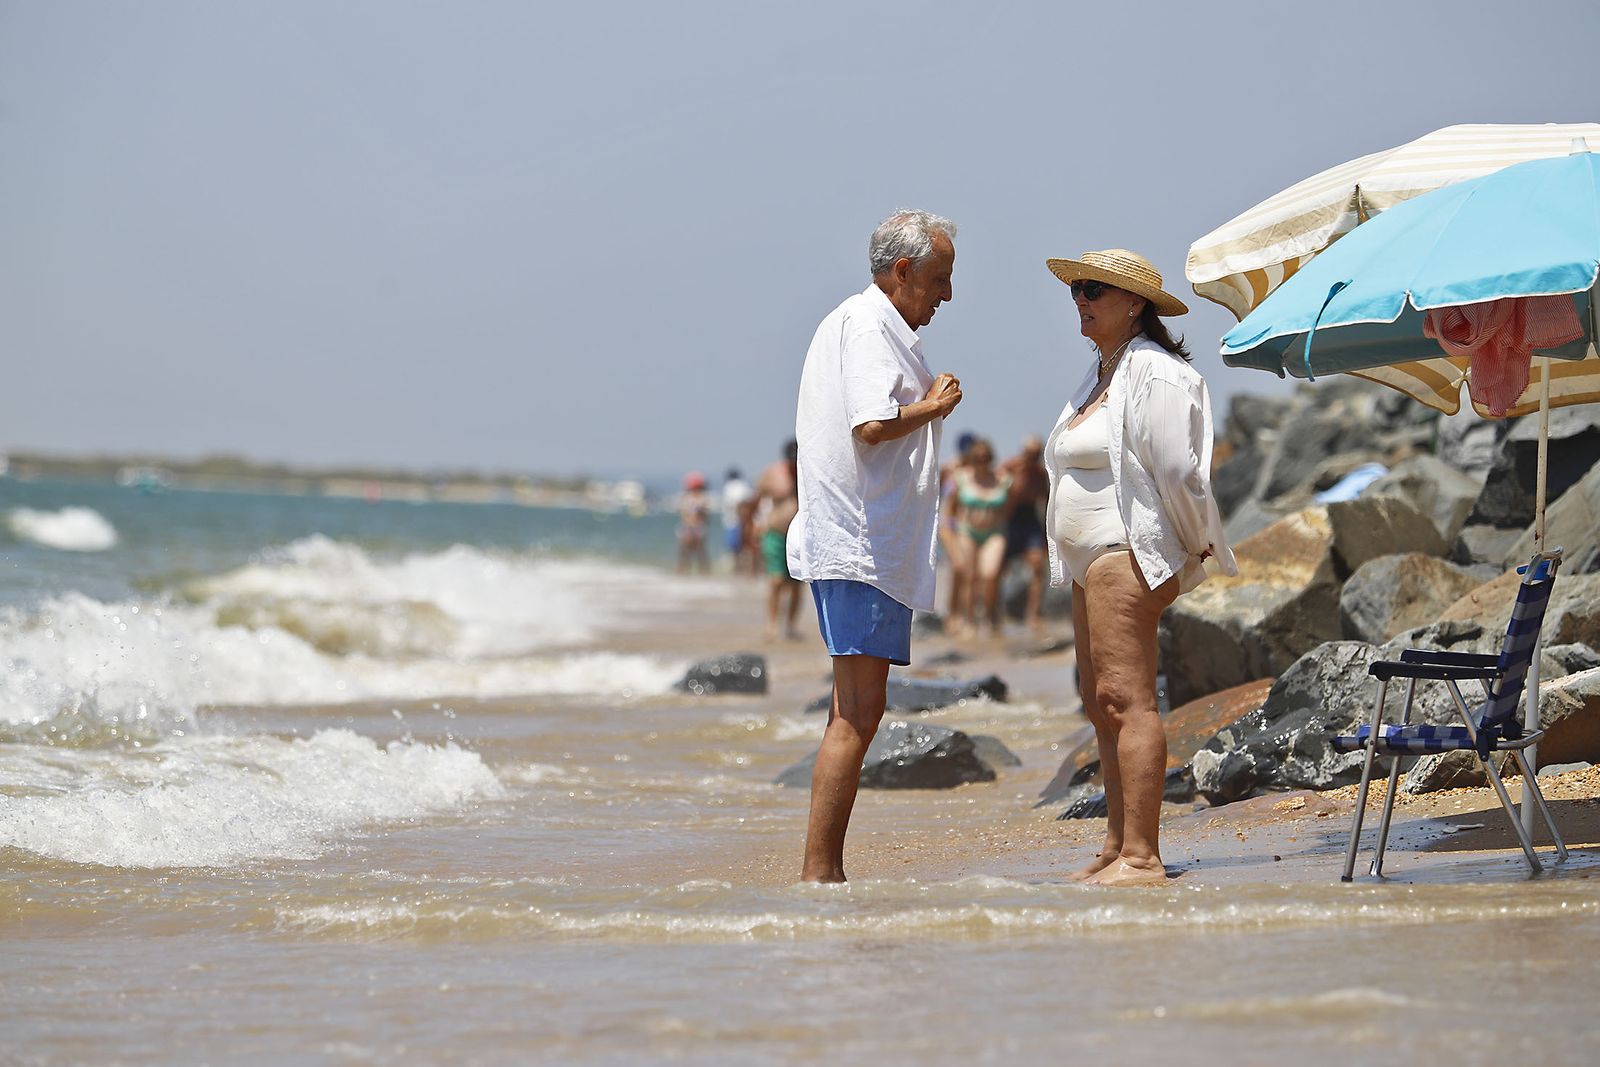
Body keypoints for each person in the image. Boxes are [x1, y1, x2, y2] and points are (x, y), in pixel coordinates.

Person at [1041, 249, 1236, 887]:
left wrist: (1194, 544)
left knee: (1128, 700)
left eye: (1095, 289)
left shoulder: (1156, 372)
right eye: (1076, 290)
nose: (1081, 300)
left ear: (1134, 303)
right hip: (1085, 559)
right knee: (1100, 704)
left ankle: (1143, 856)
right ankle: (1116, 843)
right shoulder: (1100, 375)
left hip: (1126, 552)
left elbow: (1181, 470)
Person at [787, 209, 963, 883]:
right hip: (858, 543)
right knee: (856, 714)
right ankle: (820, 873)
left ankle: (822, 870)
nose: (946, 295)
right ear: (902, 273)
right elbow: (870, 424)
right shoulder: (865, 327)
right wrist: (935, 404)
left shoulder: (864, 324)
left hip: (859, 542)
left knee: (857, 710)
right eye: (939, 279)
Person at [948, 437, 1011, 636]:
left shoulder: (1002, 479)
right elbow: (950, 510)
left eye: (985, 458)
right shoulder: (960, 478)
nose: (981, 462)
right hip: (967, 531)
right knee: (970, 577)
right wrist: (951, 535)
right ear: (971, 459)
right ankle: (969, 621)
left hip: (994, 532)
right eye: (977, 458)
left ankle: (990, 616)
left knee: (990, 574)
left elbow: (1012, 508)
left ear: (991, 458)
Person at [998, 434, 1050, 632]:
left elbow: (1046, 501)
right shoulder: (1011, 468)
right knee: (996, 568)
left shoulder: (1040, 475)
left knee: (1038, 565)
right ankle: (993, 613)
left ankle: (1033, 613)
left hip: (1029, 521)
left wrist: (1048, 533)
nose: (1032, 458)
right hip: (1010, 521)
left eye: (1036, 454)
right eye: (1029, 453)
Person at [754, 440, 802, 639]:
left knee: (797, 584)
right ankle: (772, 624)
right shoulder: (773, 474)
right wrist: (755, 525)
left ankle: (790, 626)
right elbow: (756, 499)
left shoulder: (809, 472)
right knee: (775, 581)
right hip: (775, 533)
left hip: (800, 535)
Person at [937, 432, 977, 631]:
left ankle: (959, 614)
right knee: (959, 567)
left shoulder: (973, 470)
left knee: (963, 570)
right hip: (946, 523)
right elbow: (935, 493)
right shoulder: (949, 468)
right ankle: (952, 615)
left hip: (963, 524)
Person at [720, 467, 756, 574]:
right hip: (743, 522)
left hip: (732, 522)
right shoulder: (743, 485)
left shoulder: (729, 487)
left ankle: (738, 570)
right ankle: (745, 570)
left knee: (734, 549)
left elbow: (735, 503)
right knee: (746, 548)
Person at [676, 471, 711, 574]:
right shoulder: (687, 498)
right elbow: (683, 515)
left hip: (698, 526)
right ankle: (683, 571)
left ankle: (704, 572)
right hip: (688, 526)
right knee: (685, 551)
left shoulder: (703, 499)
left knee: (700, 551)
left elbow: (705, 515)